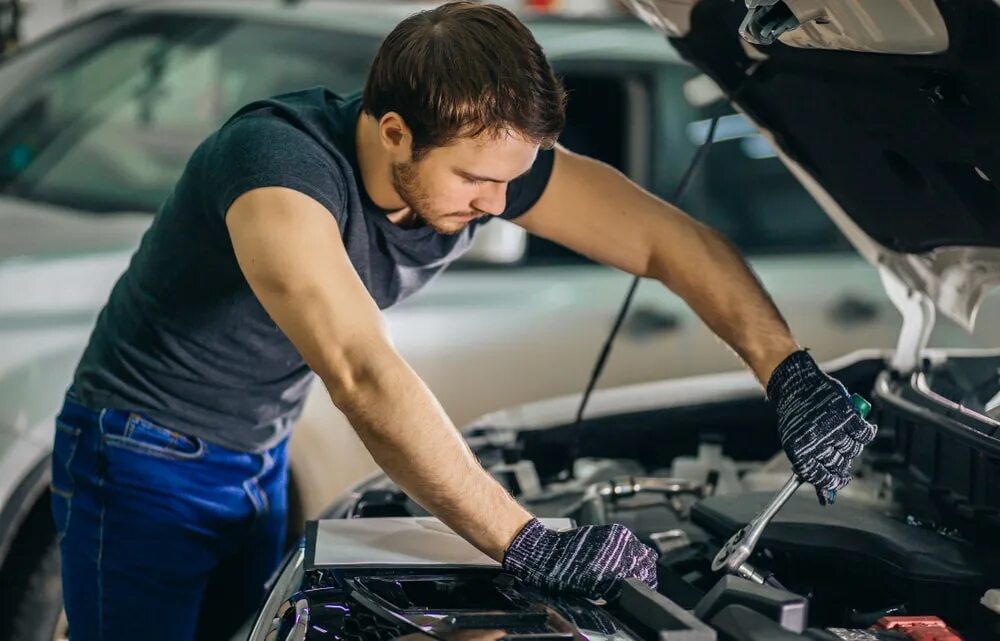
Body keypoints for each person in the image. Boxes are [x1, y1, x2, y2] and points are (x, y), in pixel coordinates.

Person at [50, 3, 877, 640]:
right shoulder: (276, 172)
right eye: (477, 181)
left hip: (256, 453)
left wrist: (790, 373)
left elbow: (671, 241)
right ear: (394, 131)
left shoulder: (487, 164)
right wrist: (525, 541)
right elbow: (361, 372)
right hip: (140, 454)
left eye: (508, 183)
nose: (496, 204)